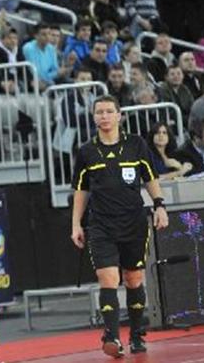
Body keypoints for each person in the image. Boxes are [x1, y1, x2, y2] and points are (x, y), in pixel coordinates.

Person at [70, 95, 169, 357]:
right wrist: (76, 224)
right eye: (99, 112)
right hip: (101, 225)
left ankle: (136, 334)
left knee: (133, 279)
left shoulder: (136, 144)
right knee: (108, 279)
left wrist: (160, 205)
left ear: (119, 115)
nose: (104, 116)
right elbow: (81, 189)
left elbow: (150, 177)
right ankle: (112, 336)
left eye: (108, 111)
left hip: (133, 222)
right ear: (93, 117)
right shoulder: (87, 151)